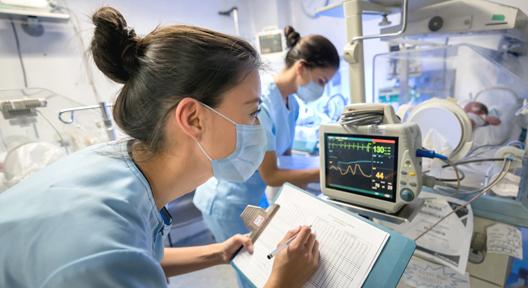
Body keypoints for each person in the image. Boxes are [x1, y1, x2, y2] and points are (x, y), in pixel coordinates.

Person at [0, 7, 319, 288]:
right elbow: (111, 260)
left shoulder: (121, 169)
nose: (258, 129)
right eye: (251, 113)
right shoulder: (96, 250)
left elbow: (137, 256)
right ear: (193, 118)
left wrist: (216, 252)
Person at [193, 25, 339, 287]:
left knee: (268, 257)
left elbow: (284, 158)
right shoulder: (264, 101)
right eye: (321, 81)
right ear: (302, 67)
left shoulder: (291, 103)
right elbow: (271, 174)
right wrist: (325, 173)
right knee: (255, 271)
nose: (322, 90)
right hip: (228, 201)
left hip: (253, 199)